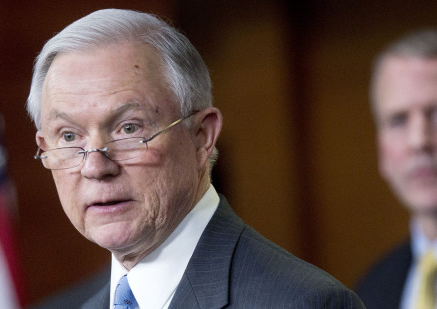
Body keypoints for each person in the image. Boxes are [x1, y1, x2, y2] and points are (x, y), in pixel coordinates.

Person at [26, 8, 364, 308]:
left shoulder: (305, 302)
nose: (95, 166)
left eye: (128, 128)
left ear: (201, 136)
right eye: (69, 136)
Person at [355, 29, 437, 309]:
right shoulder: (370, 289)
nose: (419, 141)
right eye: (399, 121)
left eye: (436, 114)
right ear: (382, 152)